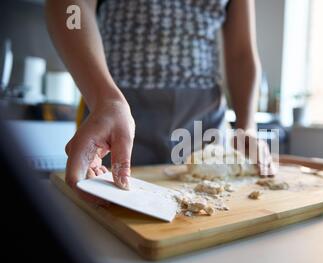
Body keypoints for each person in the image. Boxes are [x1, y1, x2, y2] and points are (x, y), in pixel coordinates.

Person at [46, 0, 274, 192]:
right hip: (117, 114)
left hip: (204, 123)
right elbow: (69, 7)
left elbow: (242, 53)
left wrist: (247, 126)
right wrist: (105, 99)